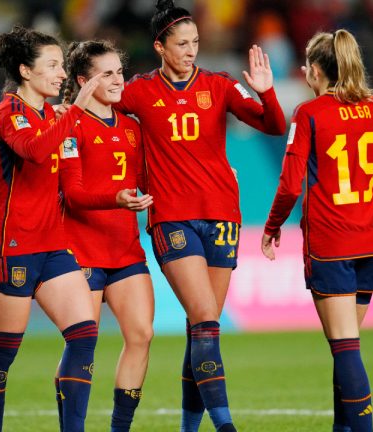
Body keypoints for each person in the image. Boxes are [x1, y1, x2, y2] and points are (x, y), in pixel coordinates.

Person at [115, 1, 287, 431]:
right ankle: (225, 425)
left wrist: (266, 90)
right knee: (207, 323)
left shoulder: (220, 85)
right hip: (172, 218)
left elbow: (274, 126)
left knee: (201, 329)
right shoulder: (138, 91)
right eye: (182, 44)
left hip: (223, 216)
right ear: (160, 46)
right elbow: (98, 115)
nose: (191, 51)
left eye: (195, 43)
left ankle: (188, 428)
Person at [0, 25, 102, 432]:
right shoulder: (9, 113)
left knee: (84, 336)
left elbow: (72, 181)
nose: (62, 73)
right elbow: (35, 150)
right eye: (52, 65)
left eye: (62, 65)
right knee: (2, 355)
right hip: (10, 248)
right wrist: (77, 111)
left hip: (52, 246)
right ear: (25, 71)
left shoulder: (53, 116)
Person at [261, 29, 373, 432]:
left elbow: (289, 182)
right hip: (370, 238)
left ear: (315, 70)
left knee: (345, 348)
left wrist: (272, 226)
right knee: (346, 347)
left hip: (332, 241)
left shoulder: (310, 113)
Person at [56, 39, 155, 432]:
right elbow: (73, 194)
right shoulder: (69, 124)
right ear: (83, 81)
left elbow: (149, 180)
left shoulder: (132, 127)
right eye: (107, 73)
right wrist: (116, 198)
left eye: (120, 72)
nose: (118, 80)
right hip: (80, 252)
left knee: (142, 334)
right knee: (83, 344)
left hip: (125, 250)